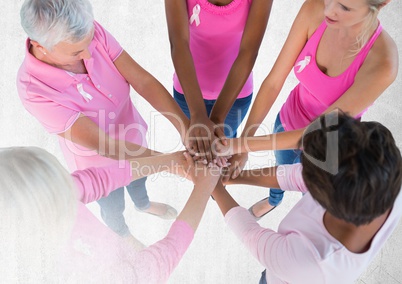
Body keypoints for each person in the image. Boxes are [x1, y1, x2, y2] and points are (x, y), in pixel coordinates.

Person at [17, 0, 190, 246]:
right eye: (77, 52)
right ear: (40, 46)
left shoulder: (89, 32)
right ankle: (123, 234)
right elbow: (103, 145)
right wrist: (173, 164)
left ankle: (144, 205)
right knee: (112, 204)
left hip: (134, 139)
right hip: (99, 165)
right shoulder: (34, 90)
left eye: (88, 44)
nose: (88, 54)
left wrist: (185, 127)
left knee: (140, 181)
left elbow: (143, 81)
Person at [225, 0, 398, 219]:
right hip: (288, 122)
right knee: (281, 167)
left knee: (311, 196)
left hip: (329, 148)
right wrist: (243, 146)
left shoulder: (383, 63)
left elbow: (316, 133)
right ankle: (274, 199)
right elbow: (273, 83)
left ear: (381, 4)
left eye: (344, 7)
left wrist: (239, 145)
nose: (329, 9)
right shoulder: (314, 9)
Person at [213, 112, 402, 283]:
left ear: (319, 197)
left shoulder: (310, 263)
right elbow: (294, 176)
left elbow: (251, 235)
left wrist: (212, 185)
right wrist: (232, 178)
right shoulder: (386, 176)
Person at [0, 146, 222, 283]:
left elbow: (98, 180)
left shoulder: (49, 193)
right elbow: (165, 256)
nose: (70, 186)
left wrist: (172, 160)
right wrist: (203, 187)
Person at [165, 0, 273, 162]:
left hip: (235, 97)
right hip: (187, 94)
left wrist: (217, 118)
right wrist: (197, 113)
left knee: (222, 150)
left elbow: (248, 52)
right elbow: (179, 44)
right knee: (197, 152)